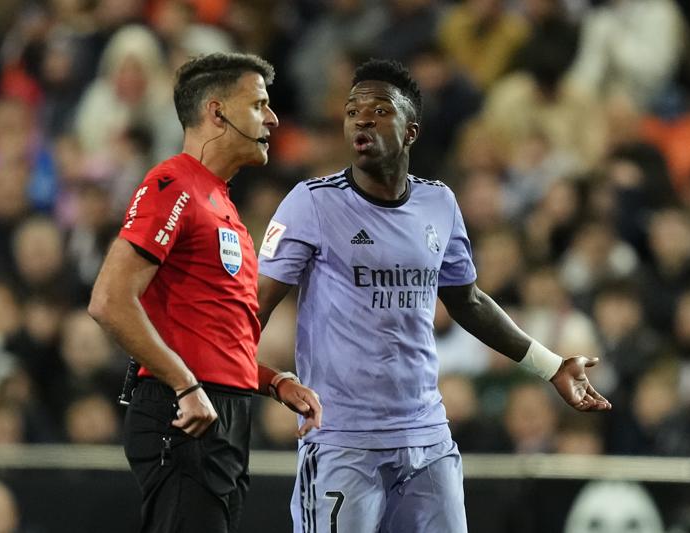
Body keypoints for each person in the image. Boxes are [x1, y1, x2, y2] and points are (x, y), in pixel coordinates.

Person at [257, 58, 611, 533]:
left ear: (411, 132)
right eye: (352, 111)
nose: (362, 120)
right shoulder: (312, 203)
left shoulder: (439, 203)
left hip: (426, 439)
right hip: (342, 440)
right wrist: (251, 381)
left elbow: (469, 302)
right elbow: (252, 309)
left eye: (380, 110)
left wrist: (551, 366)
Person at [88, 53, 322, 533]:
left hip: (221, 412)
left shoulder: (221, 203)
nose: (272, 119)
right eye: (258, 105)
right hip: (185, 414)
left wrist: (273, 381)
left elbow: (212, 339)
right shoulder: (172, 183)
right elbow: (109, 300)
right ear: (217, 112)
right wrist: (185, 385)